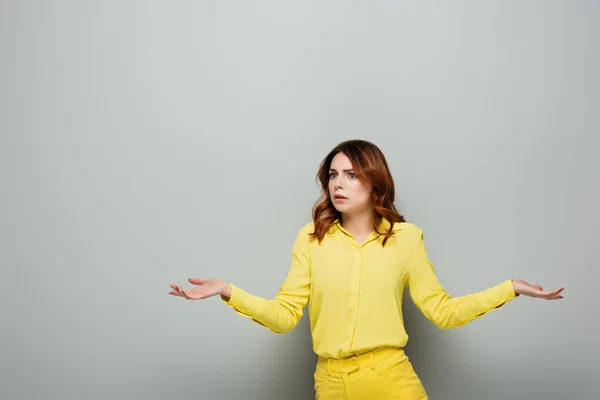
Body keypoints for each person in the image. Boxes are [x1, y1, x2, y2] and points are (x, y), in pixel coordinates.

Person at [168, 139, 564, 400]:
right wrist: (227, 291)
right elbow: (284, 316)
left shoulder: (406, 239)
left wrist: (509, 287)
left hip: (391, 380)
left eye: (352, 174)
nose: (338, 183)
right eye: (334, 175)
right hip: (331, 383)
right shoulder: (310, 239)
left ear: (375, 183)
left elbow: (443, 311)